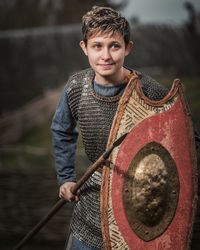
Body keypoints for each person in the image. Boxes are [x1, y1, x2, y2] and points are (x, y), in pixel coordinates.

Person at [51, 6, 199, 250]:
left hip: (138, 204)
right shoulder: (76, 87)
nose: (106, 55)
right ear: (84, 47)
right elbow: (62, 131)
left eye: (114, 46)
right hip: (91, 202)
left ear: (128, 48)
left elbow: (186, 140)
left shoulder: (148, 92)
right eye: (97, 46)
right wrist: (66, 178)